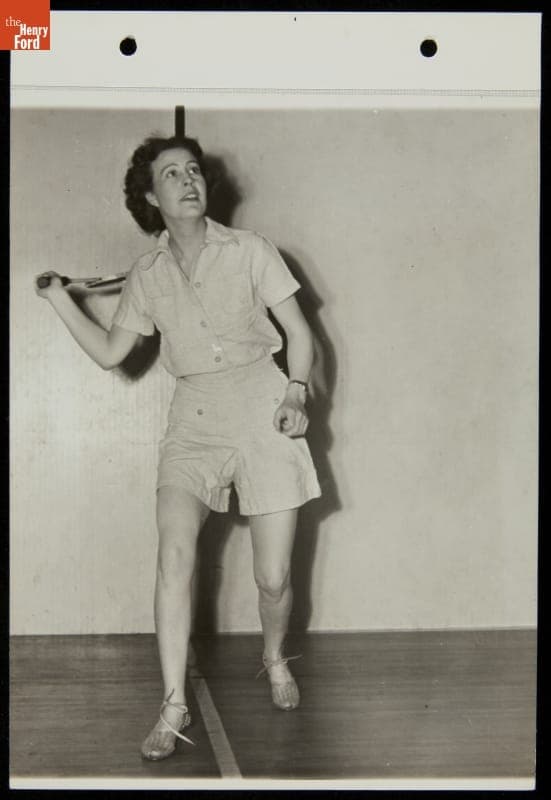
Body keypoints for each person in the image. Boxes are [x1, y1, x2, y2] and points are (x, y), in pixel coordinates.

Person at [35, 134, 321, 761]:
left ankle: (273, 657)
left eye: (194, 170)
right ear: (149, 197)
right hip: (193, 417)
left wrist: (295, 394)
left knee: (273, 579)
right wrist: (60, 300)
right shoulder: (146, 274)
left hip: (264, 403)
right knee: (173, 554)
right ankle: (171, 704)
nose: (188, 180)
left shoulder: (251, 251)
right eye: (171, 174)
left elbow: (299, 336)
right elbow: (114, 353)